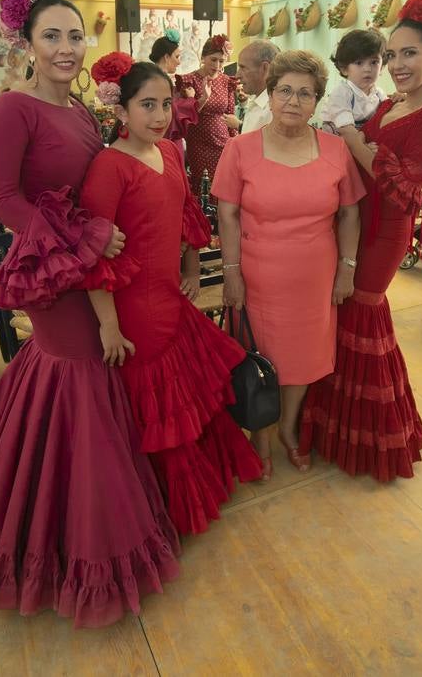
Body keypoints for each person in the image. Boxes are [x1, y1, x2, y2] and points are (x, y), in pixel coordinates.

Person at [0, 0, 179, 629]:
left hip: (91, 267)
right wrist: (78, 239)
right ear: (29, 43)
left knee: (66, 377)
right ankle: (74, 543)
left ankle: (51, 507)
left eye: (74, 36)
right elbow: (1, 198)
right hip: (51, 270)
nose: (66, 48)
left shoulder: (84, 112)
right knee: (79, 373)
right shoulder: (13, 109)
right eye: (52, 36)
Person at [78, 53, 263, 535]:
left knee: (185, 395)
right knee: (156, 404)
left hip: (170, 294)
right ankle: (163, 503)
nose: (160, 115)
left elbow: (184, 214)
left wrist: (192, 269)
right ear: (121, 110)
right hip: (133, 307)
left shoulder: (169, 152)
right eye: (147, 105)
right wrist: (109, 324)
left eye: (165, 104)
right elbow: (93, 253)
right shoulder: (108, 167)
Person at [299, 0, 422, 481]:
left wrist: (350, 134)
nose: (396, 64)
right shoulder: (390, 102)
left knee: (363, 315)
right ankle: (334, 431)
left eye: (410, 53)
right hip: (352, 220)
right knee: (342, 314)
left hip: (385, 231)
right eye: (391, 55)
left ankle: (371, 441)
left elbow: (402, 184)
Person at [211, 50, 365, 479]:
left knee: (304, 358)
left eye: (305, 93)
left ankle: (288, 429)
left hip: (315, 278)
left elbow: (350, 213)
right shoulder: (240, 149)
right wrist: (231, 272)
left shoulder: (335, 149)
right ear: (271, 93)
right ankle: (260, 436)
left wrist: (347, 268)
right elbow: (227, 214)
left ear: (316, 100)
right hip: (258, 278)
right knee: (263, 358)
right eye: (285, 91)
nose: (293, 101)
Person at [180, 34, 239, 194]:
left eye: (221, 61)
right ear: (203, 57)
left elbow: (231, 115)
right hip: (198, 144)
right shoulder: (189, 80)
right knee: (203, 187)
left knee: (224, 185)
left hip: (223, 143)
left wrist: (234, 145)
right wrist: (204, 98)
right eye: (213, 60)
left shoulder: (226, 81)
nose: (217, 65)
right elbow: (185, 117)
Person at [313, 29, 387, 133]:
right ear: (344, 68)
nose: (367, 69)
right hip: (339, 138)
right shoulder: (341, 93)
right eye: (359, 63)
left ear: (382, 66)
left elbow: (390, 115)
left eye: (374, 62)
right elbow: (347, 132)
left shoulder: (379, 94)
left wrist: (398, 99)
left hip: (361, 137)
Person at [149, 31, 205, 165]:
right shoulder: (160, 81)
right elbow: (173, 111)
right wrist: (190, 99)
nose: (179, 62)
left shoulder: (152, 78)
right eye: (177, 56)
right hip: (167, 140)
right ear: (166, 57)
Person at [236, 39, 279, 134]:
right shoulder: (256, 102)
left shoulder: (274, 111)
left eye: (243, 68)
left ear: (265, 68)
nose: (237, 75)